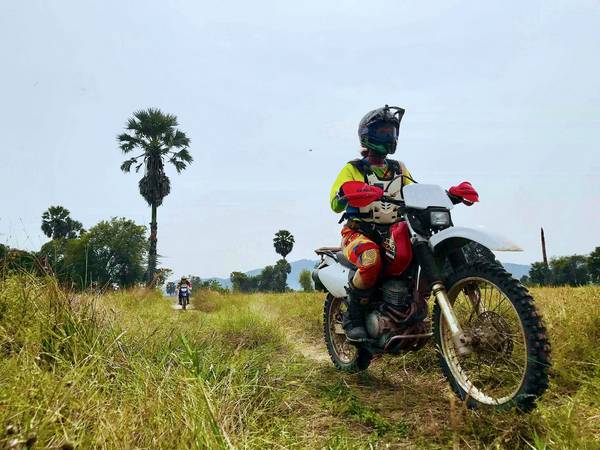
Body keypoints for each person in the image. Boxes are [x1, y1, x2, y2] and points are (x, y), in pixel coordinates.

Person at [329, 105, 477, 341]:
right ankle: (353, 317)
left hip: (395, 230)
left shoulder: (399, 168)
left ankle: (411, 308)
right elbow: (335, 201)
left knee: (422, 251)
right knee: (370, 259)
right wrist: (347, 192)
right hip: (358, 232)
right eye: (384, 131)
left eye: (392, 132)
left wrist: (450, 194)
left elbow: (414, 193)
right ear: (368, 135)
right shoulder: (354, 168)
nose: (390, 137)